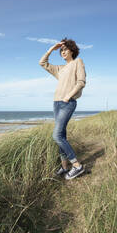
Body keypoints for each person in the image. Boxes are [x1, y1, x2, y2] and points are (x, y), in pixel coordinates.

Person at [39, 38, 86, 180]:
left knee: (57, 135)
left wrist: (68, 96)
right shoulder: (59, 69)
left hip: (68, 102)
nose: (63, 52)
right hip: (56, 103)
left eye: (65, 49)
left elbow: (81, 82)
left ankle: (77, 166)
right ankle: (65, 167)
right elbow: (42, 63)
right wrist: (51, 50)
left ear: (72, 50)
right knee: (62, 136)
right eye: (61, 51)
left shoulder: (78, 62)